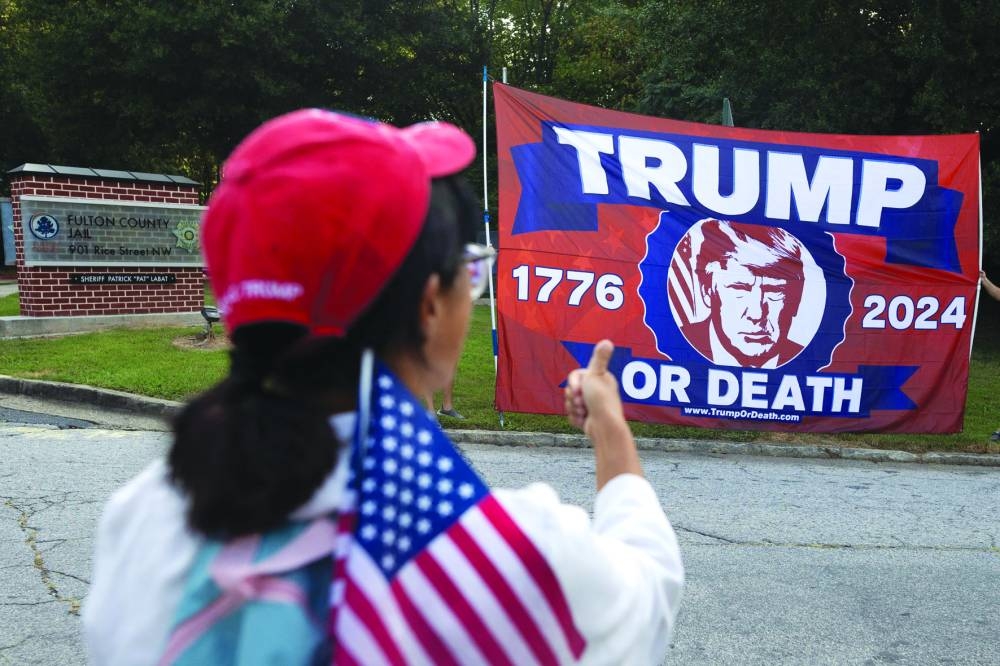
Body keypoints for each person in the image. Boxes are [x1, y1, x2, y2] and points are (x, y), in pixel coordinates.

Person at [83, 109, 683, 665]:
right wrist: (610, 427)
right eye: (470, 271)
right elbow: (648, 591)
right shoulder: (510, 560)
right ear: (428, 305)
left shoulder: (140, 519)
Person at [685, 219, 807, 368]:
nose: (757, 314)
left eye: (774, 290)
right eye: (739, 288)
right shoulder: (674, 345)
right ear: (707, 291)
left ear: (797, 299)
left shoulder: (812, 361)